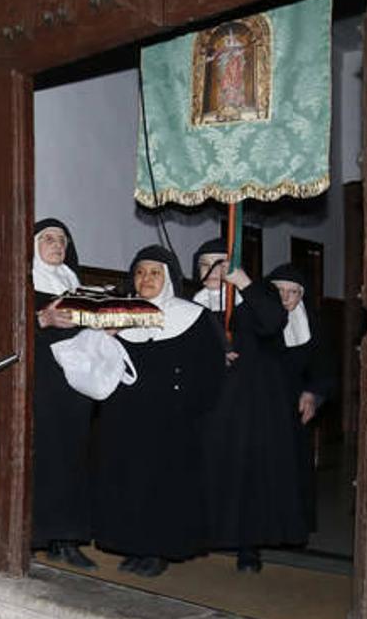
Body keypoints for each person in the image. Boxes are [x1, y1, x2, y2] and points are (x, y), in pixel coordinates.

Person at [92, 246, 225, 577]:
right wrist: (104, 336)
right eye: (139, 272)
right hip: (126, 416)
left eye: (154, 272)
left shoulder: (193, 316)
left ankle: (158, 550)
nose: (145, 279)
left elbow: (211, 369)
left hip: (173, 419)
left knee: (164, 486)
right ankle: (133, 545)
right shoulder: (120, 315)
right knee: (129, 482)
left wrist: (190, 406)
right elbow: (99, 361)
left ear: (168, 277)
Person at [191, 239, 305, 572]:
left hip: (251, 403)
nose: (212, 270)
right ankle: (209, 534)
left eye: (220, 263)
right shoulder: (194, 304)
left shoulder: (254, 297)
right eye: (205, 264)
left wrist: (242, 282)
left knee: (248, 474)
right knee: (212, 470)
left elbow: (273, 323)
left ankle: (248, 545)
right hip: (211, 403)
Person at [30, 218, 97, 568]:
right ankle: (34, 536)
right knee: (42, 456)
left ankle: (67, 538)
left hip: (75, 385)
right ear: (34, 246)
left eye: (62, 240)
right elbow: (5, 326)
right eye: (49, 239)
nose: (57, 245)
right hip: (41, 382)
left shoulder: (76, 285)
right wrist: (41, 319)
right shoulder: (24, 282)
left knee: (73, 456)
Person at [266, 263, 336, 533]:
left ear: (301, 295)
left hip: (294, 408)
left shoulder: (313, 325)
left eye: (292, 292)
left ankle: (291, 528)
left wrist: (313, 393)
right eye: (278, 290)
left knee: (292, 469)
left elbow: (325, 366)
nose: (285, 297)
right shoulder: (256, 320)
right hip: (260, 405)